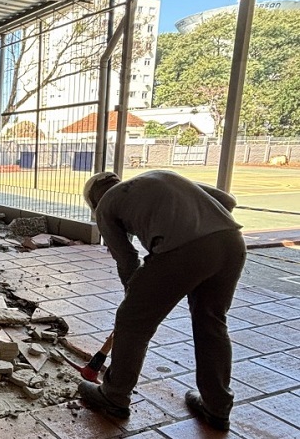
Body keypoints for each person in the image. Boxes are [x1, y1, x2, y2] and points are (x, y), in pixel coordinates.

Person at [77, 170, 245, 432]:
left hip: (182, 250)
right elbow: (227, 200)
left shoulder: (106, 206)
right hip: (231, 243)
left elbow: (126, 258)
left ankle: (114, 395)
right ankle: (217, 406)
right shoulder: (156, 178)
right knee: (212, 323)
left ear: (93, 201)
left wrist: (134, 298)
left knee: (132, 323)